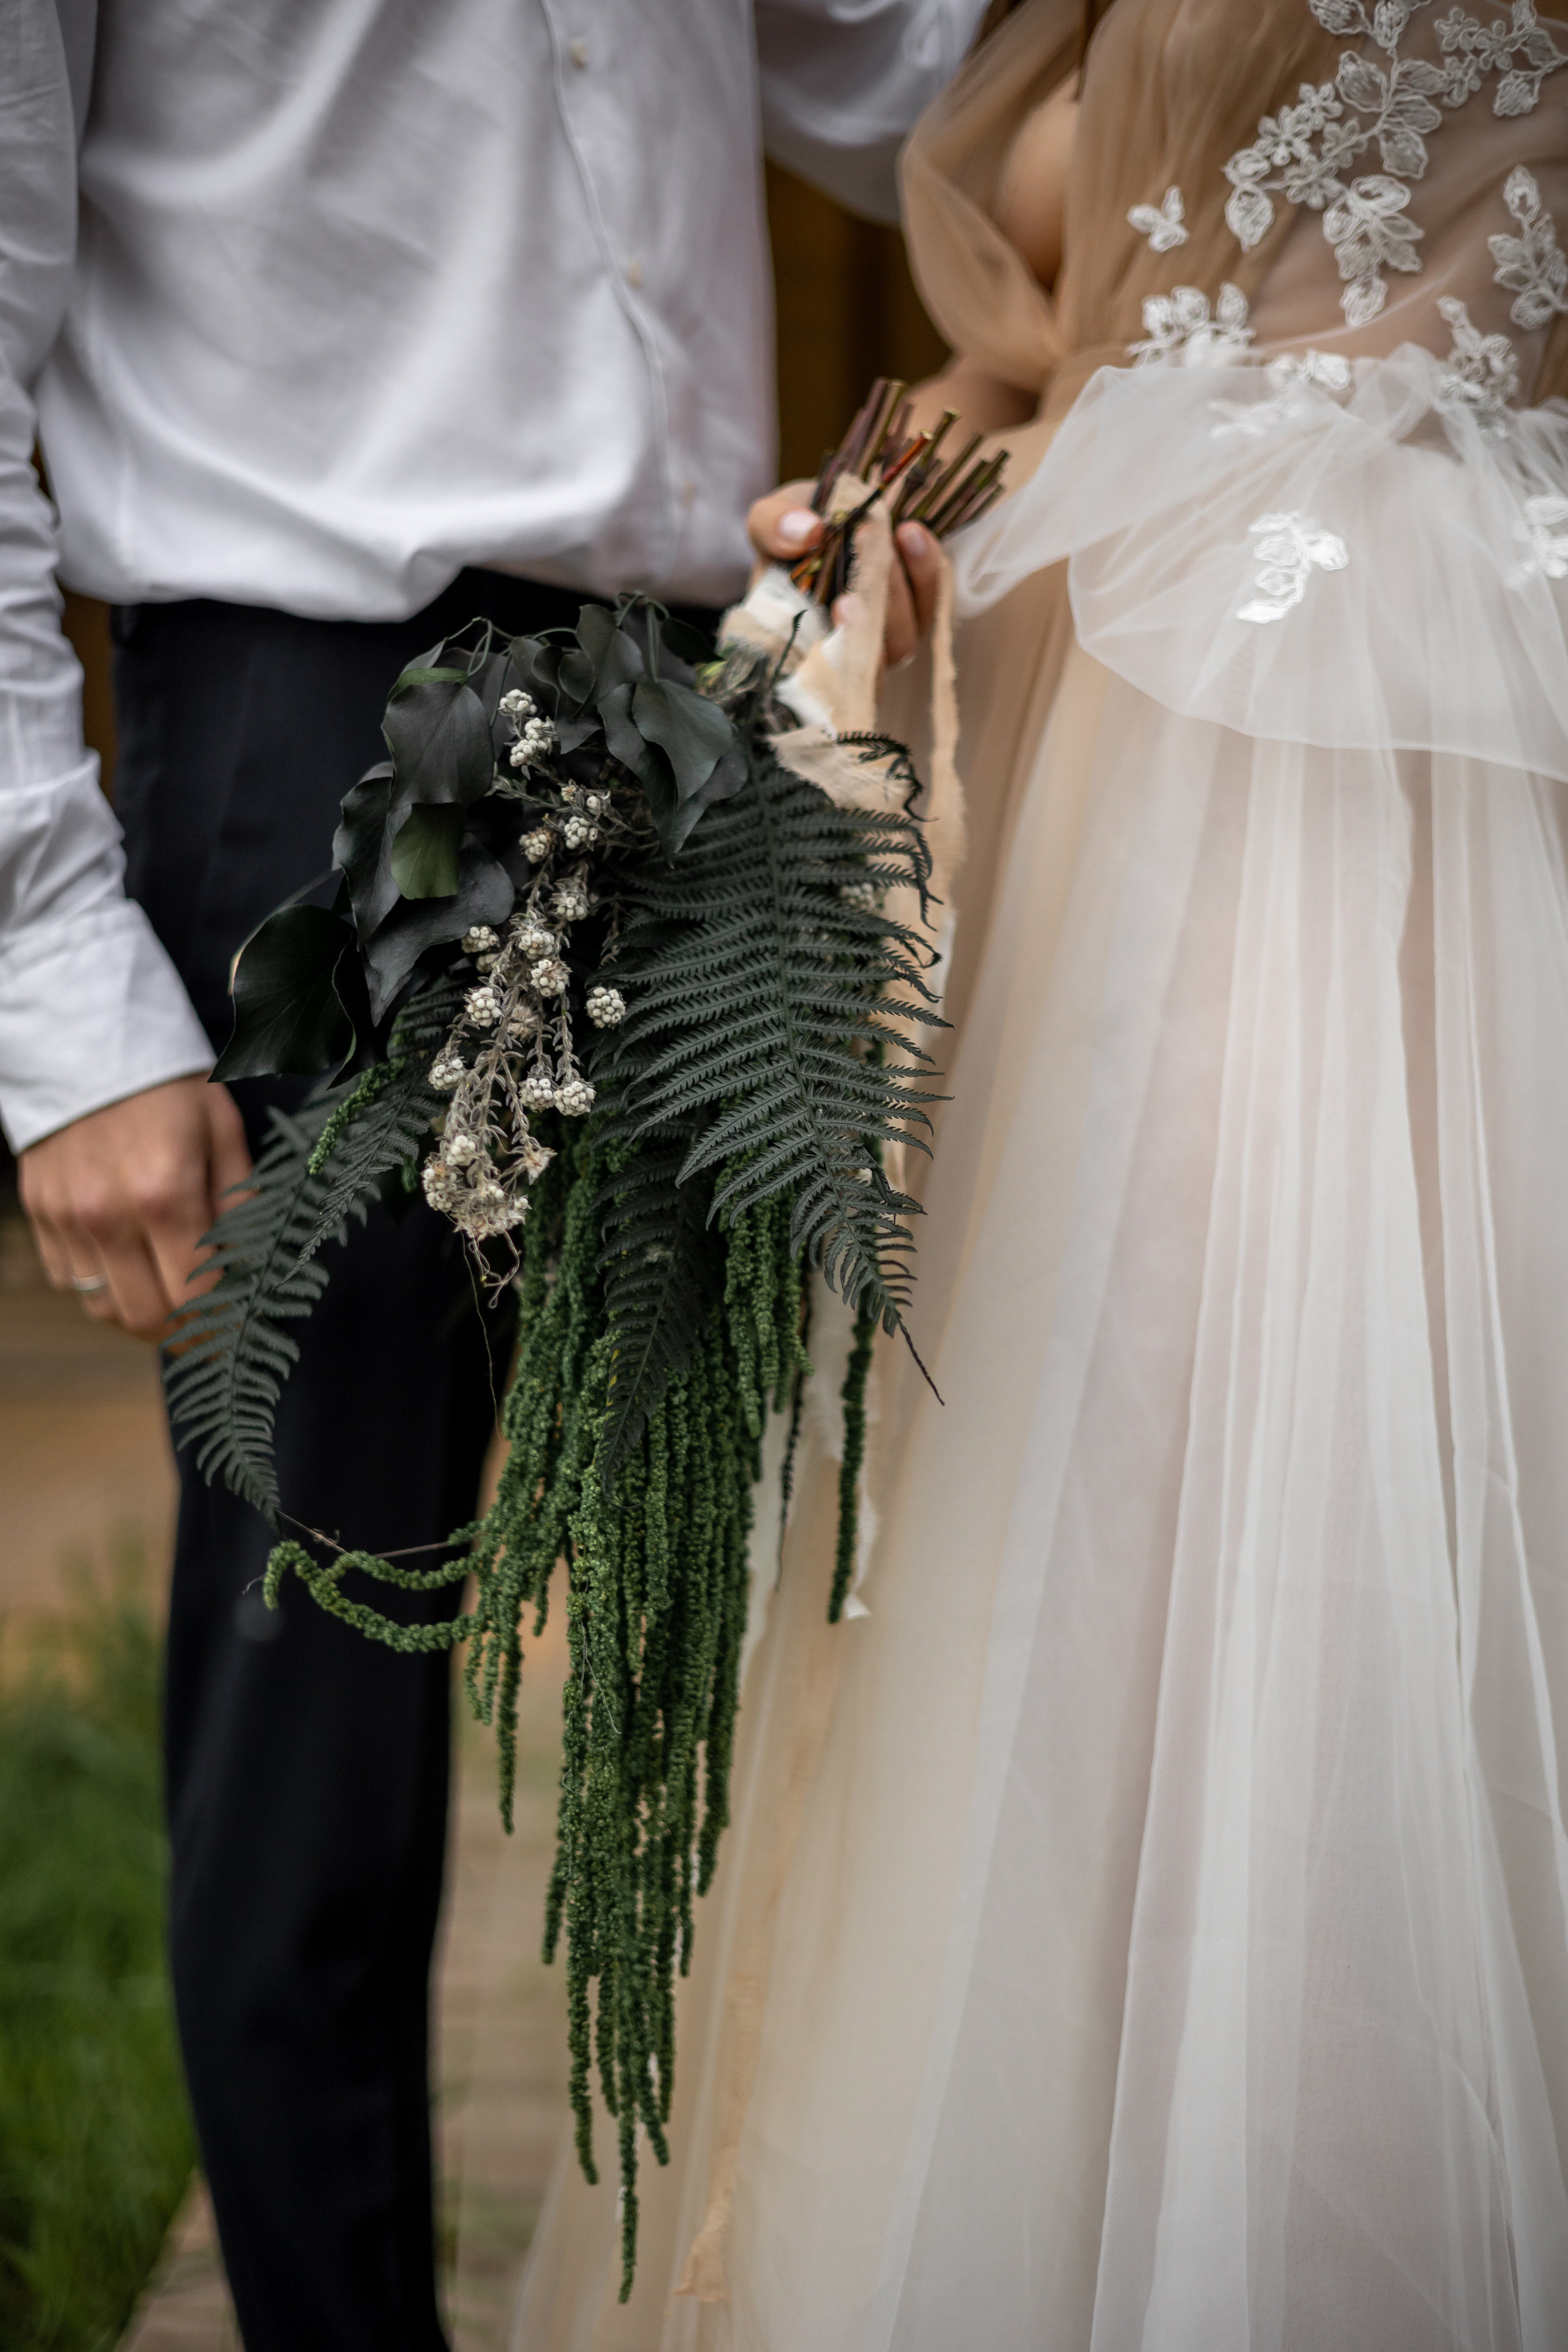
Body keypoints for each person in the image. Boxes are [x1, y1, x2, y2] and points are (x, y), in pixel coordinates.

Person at [514, 0, 1568, 2343]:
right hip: (1139, 692)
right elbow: (1068, 259)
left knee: (1243, 1526)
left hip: (1326, 741)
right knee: (1113, 1539)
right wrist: (917, 494)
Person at [0, 4, 982, 2344]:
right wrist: (56, 995)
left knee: (759, 1635)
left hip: (718, 721)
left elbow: (910, 81)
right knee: (321, 1719)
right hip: (322, 753)